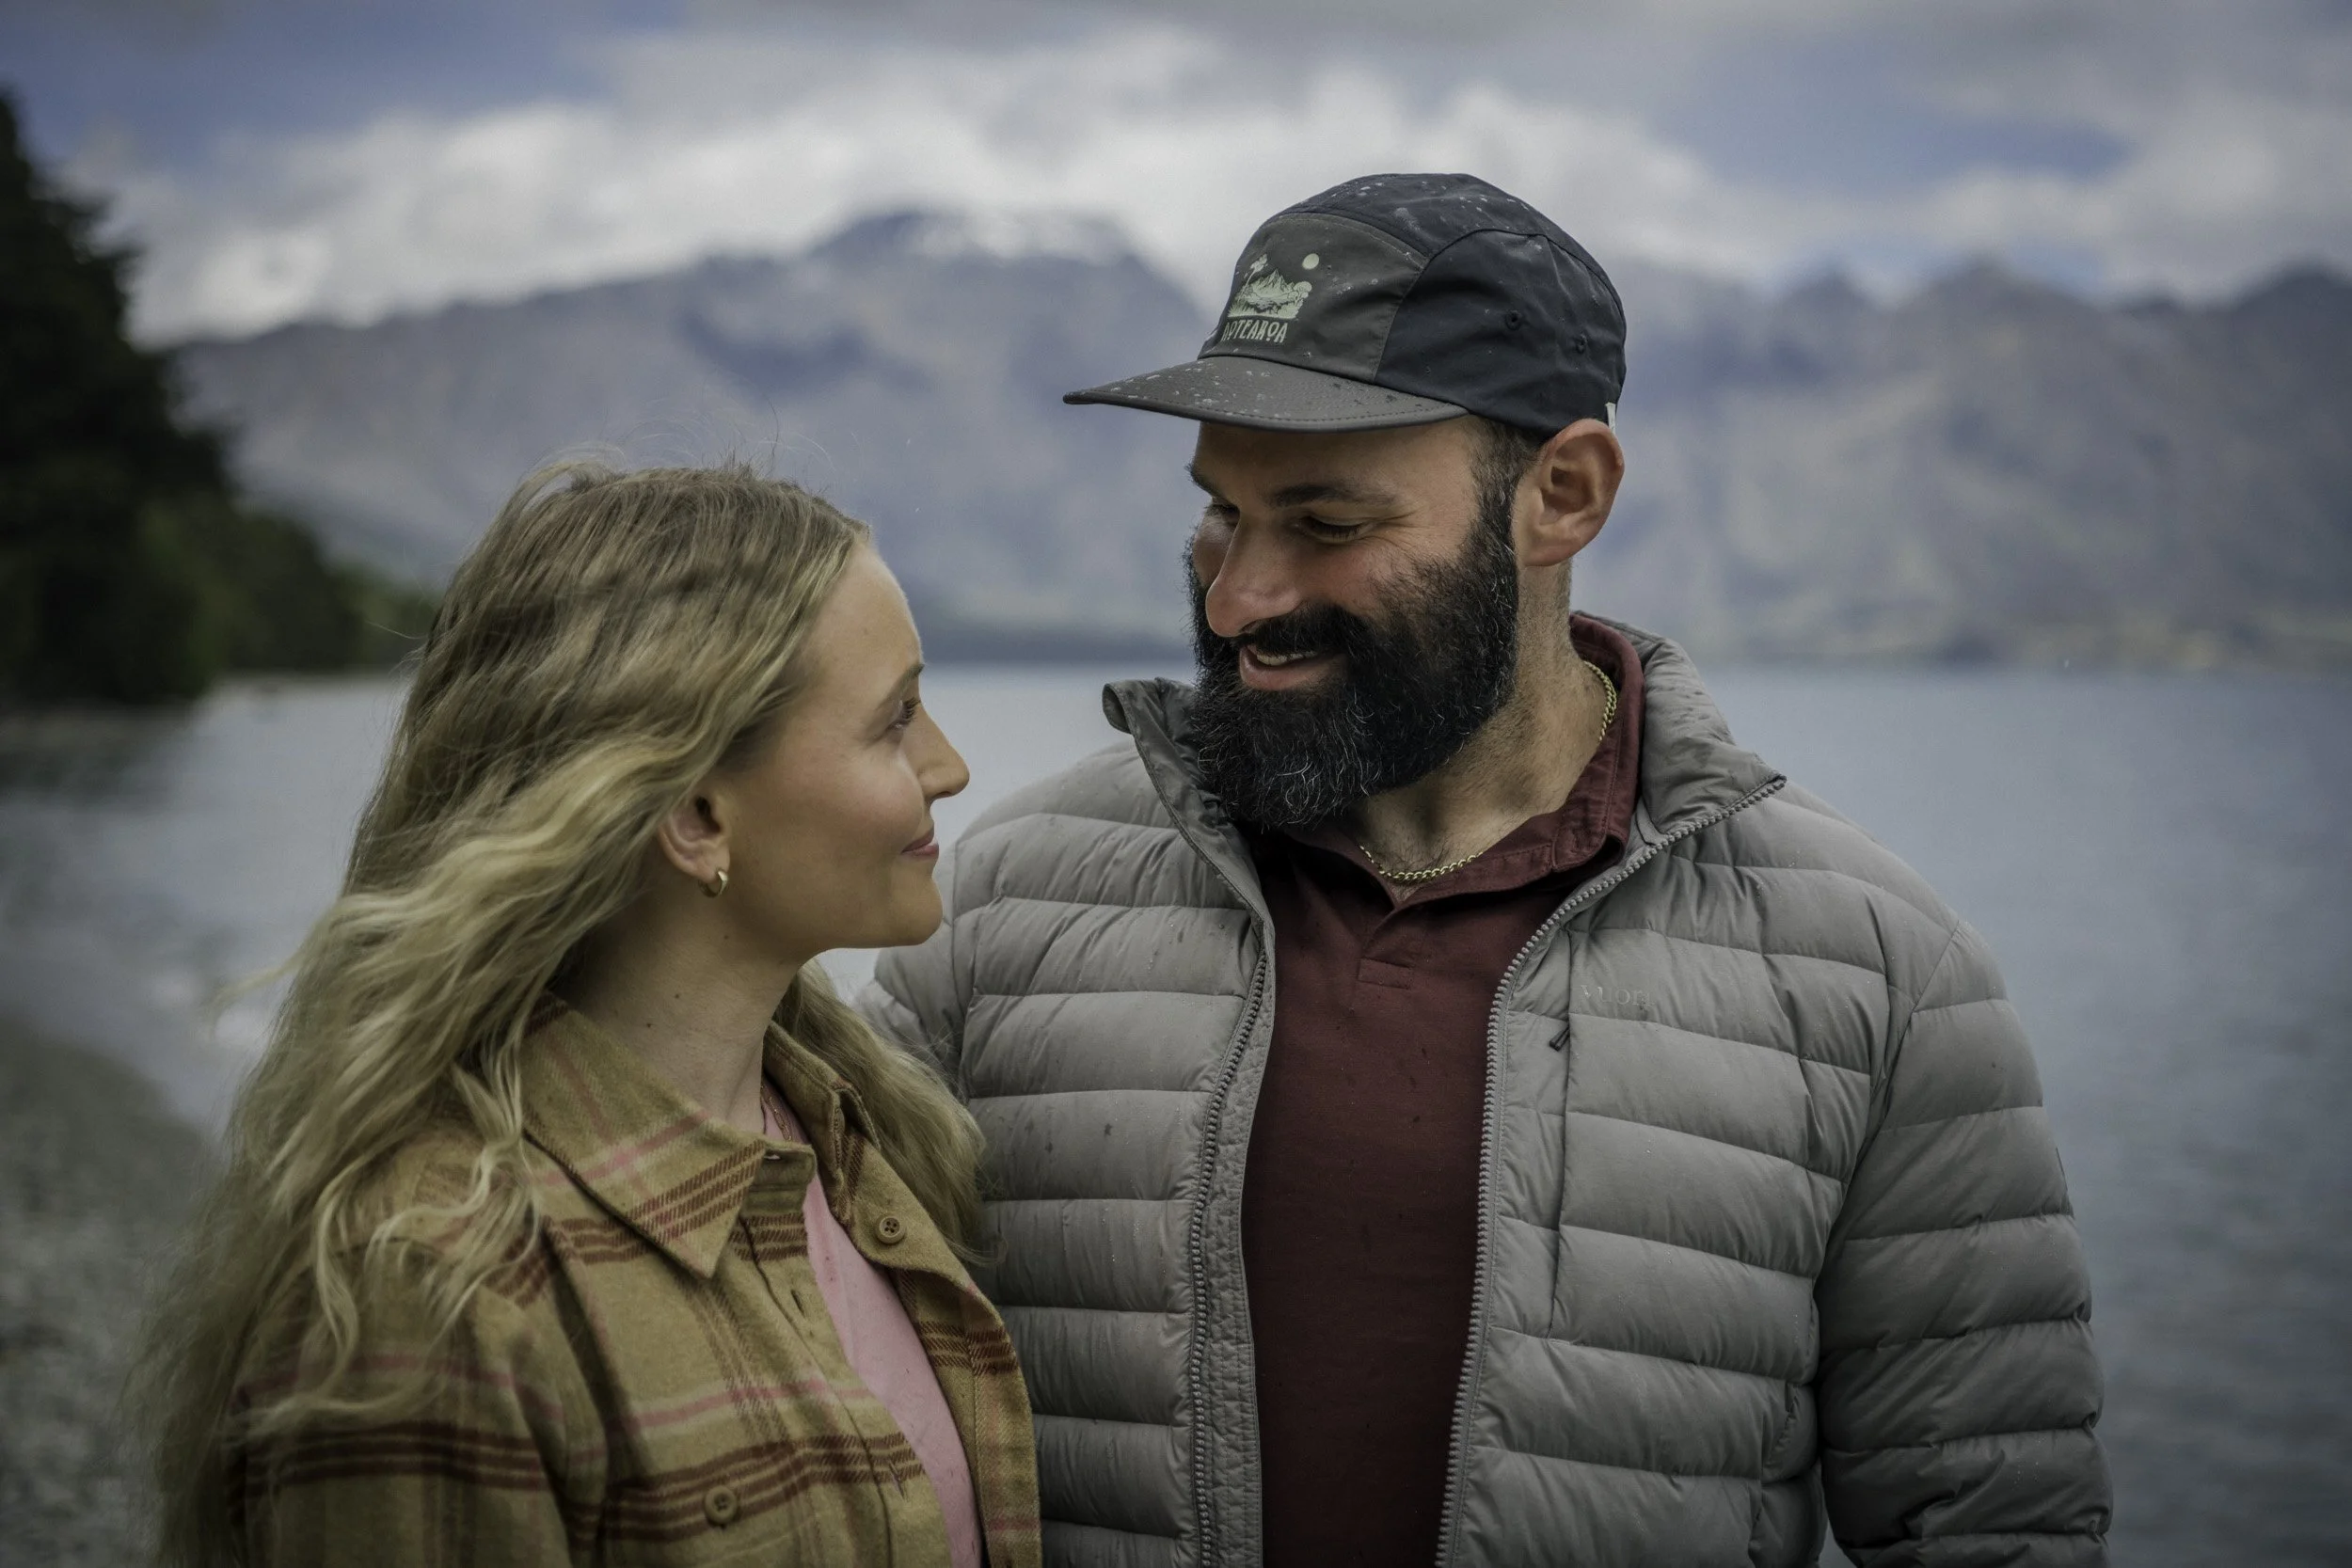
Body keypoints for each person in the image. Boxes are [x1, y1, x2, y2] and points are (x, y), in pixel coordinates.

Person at [862, 174, 2110, 1566]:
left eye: (1329, 525)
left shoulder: (1879, 974)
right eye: (1220, 511)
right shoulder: (1005, 901)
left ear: (1563, 495)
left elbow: (1996, 1527)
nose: (1236, 597)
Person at [134, 466, 1041, 1567]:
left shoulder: (861, 1146)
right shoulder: (434, 1293)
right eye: (894, 718)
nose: (949, 765)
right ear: (699, 816)